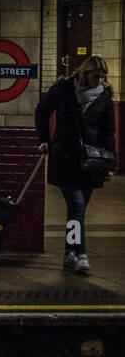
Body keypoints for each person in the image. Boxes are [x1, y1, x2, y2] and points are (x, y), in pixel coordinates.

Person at [36, 55, 115, 274]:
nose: (99, 80)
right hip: (66, 157)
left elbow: (109, 130)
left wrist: (110, 162)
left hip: (93, 160)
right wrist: (44, 139)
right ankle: (80, 254)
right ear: (84, 73)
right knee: (77, 206)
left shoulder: (105, 96)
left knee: (77, 210)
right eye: (96, 76)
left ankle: (69, 252)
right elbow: (42, 110)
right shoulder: (64, 89)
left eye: (103, 77)